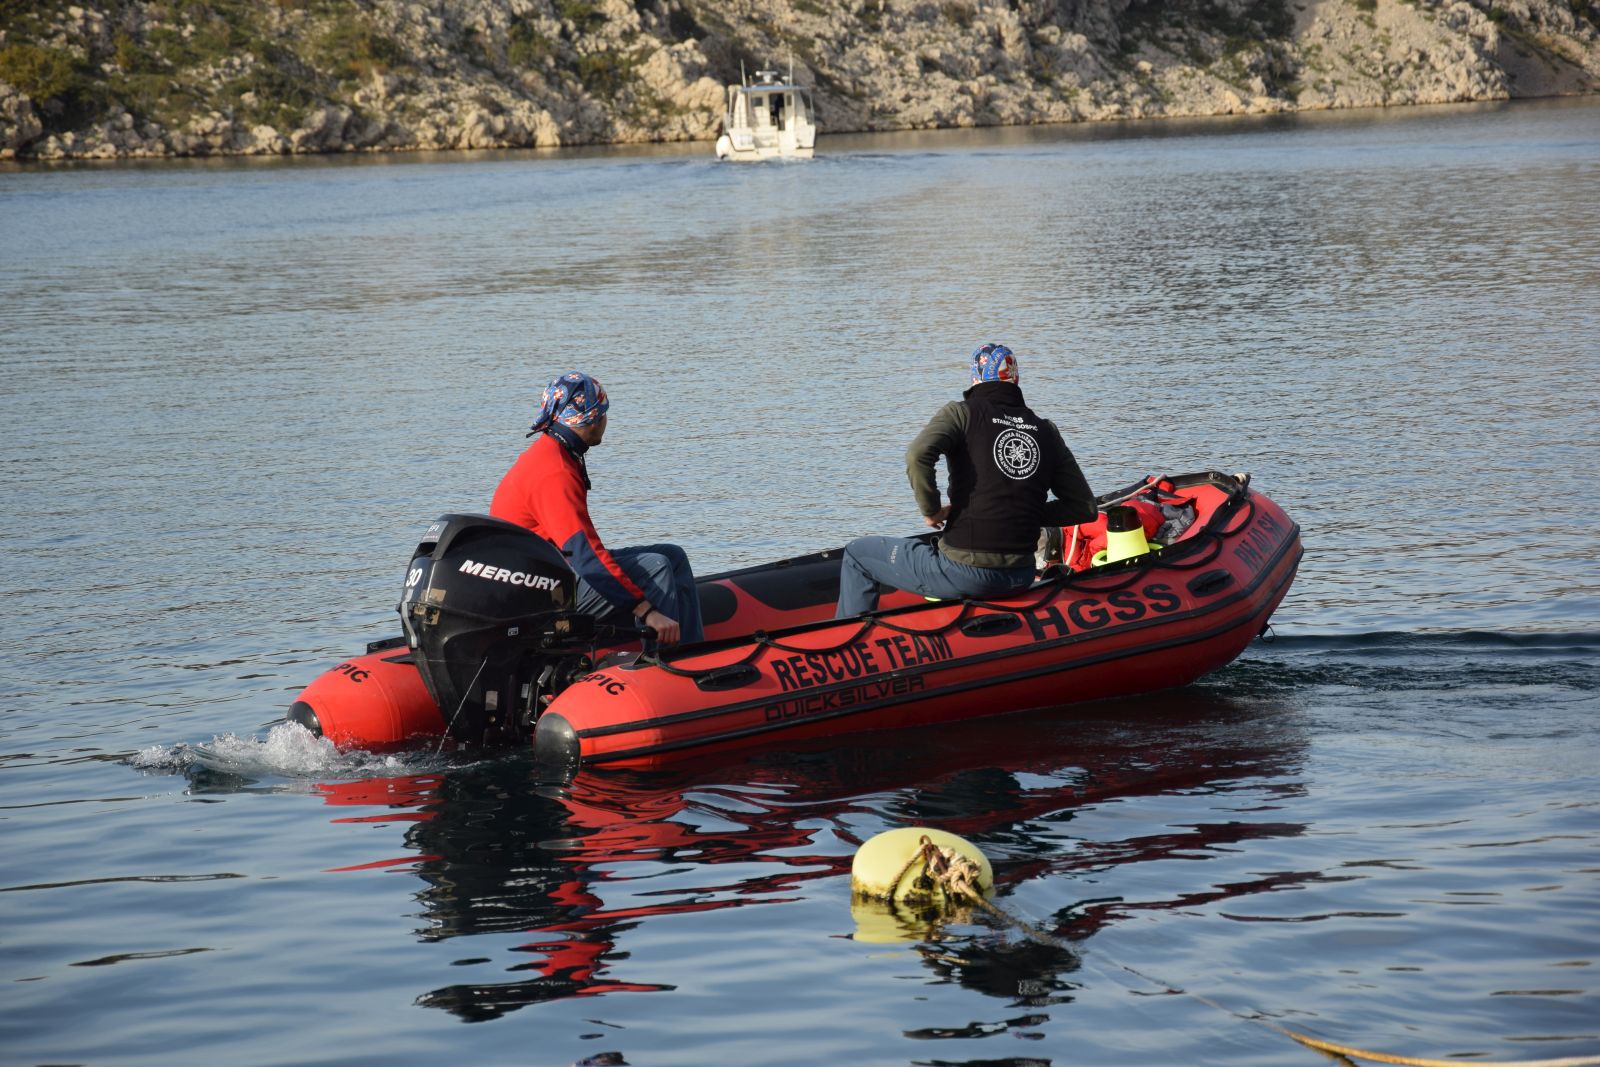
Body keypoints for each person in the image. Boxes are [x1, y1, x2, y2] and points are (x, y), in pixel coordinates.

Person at [834, 344, 1098, 618]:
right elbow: (1084, 507)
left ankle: (845, 650)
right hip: (1020, 575)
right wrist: (1021, 513)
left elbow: (917, 455)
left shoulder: (960, 413)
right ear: (1016, 378)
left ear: (975, 378)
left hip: (964, 572)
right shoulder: (1046, 430)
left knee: (857, 555)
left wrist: (931, 510)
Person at [490, 371, 703, 647]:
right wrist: (646, 611)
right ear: (590, 419)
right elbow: (585, 555)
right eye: (603, 412)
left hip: (554, 572)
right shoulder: (554, 471)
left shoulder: (555, 451)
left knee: (672, 556)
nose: (606, 421)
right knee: (657, 567)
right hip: (539, 596)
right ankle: (663, 664)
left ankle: (691, 651)